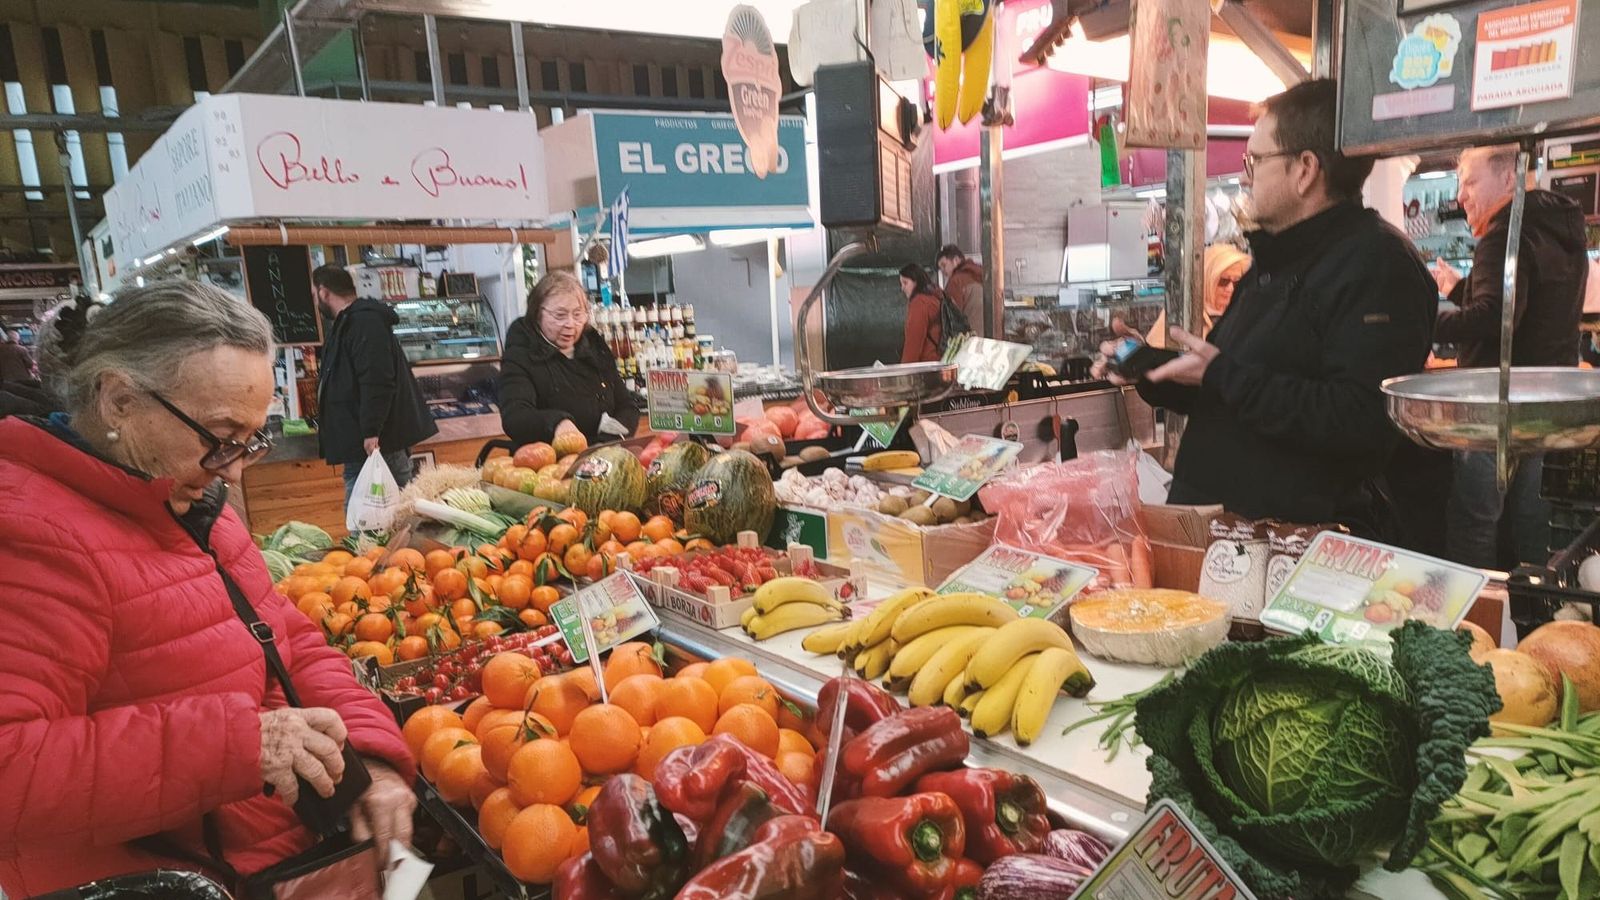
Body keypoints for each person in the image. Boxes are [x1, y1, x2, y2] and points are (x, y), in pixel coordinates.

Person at [0, 283, 415, 897]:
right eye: (219, 436)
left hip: (277, 859)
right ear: (119, 401)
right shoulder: (31, 532)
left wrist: (373, 758)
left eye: (251, 438)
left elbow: (290, 642)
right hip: (166, 879)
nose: (236, 467)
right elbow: (12, 764)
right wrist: (236, 746)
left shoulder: (193, 504)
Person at [1119, 79, 1437, 528]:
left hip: (1292, 550)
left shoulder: (1379, 265)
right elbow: (1242, 389)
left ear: (1305, 169)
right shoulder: (1275, 259)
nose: (1247, 174)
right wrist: (1151, 370)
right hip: (1223, 539)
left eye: (1256, 159)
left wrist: (1224, 374)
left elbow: (1362, 418)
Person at [1430, 145, 1590, 568]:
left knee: (1475, 520)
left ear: (1508, 179)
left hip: (1495, 403)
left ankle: (1477, 620)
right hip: (1547, 404)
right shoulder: (1561, 230)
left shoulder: (1504, 234)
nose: (1460, 197)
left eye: (1469, 182)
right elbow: (1525, 308)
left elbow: (1494, 321)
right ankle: (1535, 616)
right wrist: (1458, 290)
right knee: (1534, 523)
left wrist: (1420, 324)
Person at [312, 265, 437, 505]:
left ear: (324, 292)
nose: (315, 301)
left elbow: (377, 380)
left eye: (314, 294)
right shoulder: (348, 323)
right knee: (381, 513)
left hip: (377, 443)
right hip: (362, 442)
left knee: (386, 513)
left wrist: (371, 430)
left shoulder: (364, 322)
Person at [500, 271, 640, 446]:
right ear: (537, 314)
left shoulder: (595, 349)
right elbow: (515, 416)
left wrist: (608, 441)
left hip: (602, 457)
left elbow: (626, 404)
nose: (570, 324)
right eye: (560, 315)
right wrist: (557, 423)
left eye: (577, 314)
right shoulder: (520, 354)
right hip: (548, 463)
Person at [1147, 244, 1251, 347]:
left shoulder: (1246, 312)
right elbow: (1157, 352)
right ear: (1208, 279)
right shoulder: (1181, 312)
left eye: (1237, 282)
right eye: (1223, 281)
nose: (1230, 288)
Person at [899, 263, 946, 364]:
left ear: (916, 282)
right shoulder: (938, 297)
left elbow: (914, 342)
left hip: (927, 365)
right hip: (943, 360)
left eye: (905, 283)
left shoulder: (920, 303)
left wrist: (905, 371)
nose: (902, 288)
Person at [937, 245, 987, 338]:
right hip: (988, 339)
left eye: (944, 265)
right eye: (940, 268)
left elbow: (952, 319)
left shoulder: (956, 282)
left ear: (956, 260)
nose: (943, 271)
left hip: (969, 341)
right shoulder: (983, 275)